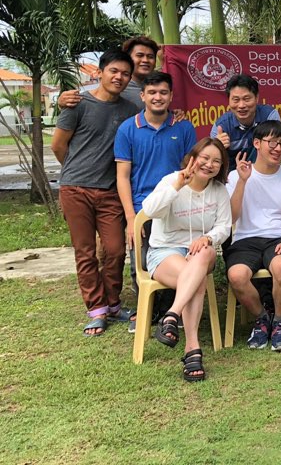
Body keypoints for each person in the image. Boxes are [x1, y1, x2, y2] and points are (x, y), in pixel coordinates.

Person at [51, 50, 140, 336]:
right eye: (114, 71)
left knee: (114, 250)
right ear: (100, 72)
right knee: (85, 251)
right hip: (75, 189)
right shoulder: (77, 103)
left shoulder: (129, 110)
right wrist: (76, 172)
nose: (119, 77)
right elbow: (58, 146)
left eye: (125, 74)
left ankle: (113, 304)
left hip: (110, 191)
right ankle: (97, 309)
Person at [139, 138, 232, 381]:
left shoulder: (219, 191)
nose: (209, 164)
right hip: (165, 251)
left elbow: (224, 226)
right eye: (205, 158)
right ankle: (192, 348)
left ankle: (172, 313)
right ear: (193, 157)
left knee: (205, 254)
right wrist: (177, 186)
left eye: (216, 161)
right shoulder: (172, 180)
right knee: (197, 281)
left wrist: (208, 238)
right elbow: (150, 210)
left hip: (200, 253)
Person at [115, 70, 197, 330]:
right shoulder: (128, 128)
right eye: (152, 92)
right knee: (140, 259)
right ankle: (145, 312)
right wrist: (131, 219)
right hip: (143, 208)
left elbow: (189, 170)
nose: (158, 97)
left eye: (163, 92)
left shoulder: (184, 127)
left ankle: (173, 311)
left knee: (178, 257)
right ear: (143, 96)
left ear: (171, 96)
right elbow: (123, 176)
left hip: (177, 208)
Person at [225, 121, 281, 352]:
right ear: (257, 143)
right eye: (272, 142)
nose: (277, 148)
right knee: (236, 276)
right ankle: (263, 318)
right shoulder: (236, 176)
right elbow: (231, 218)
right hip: (245, 239)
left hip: (279, 238)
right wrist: (243, 181)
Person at [58, 36, 161, 109]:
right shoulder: (116, 85)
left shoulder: (159, 87)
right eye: (140, 55)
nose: (145, 60)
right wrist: (62, 102)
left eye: (150, 57)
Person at [211, 74, 280, 171]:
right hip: (232, 178)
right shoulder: (221, 126)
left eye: (246, 99)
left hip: (264, 174)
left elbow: (276, 148)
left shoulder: (269, 116)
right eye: (236, 100)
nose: (241, 105)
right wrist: (217, 147)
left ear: (257, 98)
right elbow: (211, 163)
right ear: (229, 101)